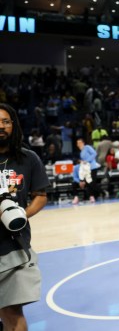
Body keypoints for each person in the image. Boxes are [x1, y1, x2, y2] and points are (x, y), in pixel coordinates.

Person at [0, 103, 49, 331]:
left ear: (13, 126)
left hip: (14, 247)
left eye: (6, 121)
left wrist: (22, 213)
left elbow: (40, 196)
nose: (1, 126)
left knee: (12, 311)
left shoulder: (28, 158)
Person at [75, 138, 105, 204]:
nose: (78, 144)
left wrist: (87, 160)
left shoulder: (87, 147)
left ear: (83, 143)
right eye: (77, 143)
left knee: (92, 183)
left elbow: (94, 153)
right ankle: (92, 197)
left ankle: (103, 192)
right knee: (89, 184)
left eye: (80, 142)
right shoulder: (81, 152)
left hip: (92, 167)